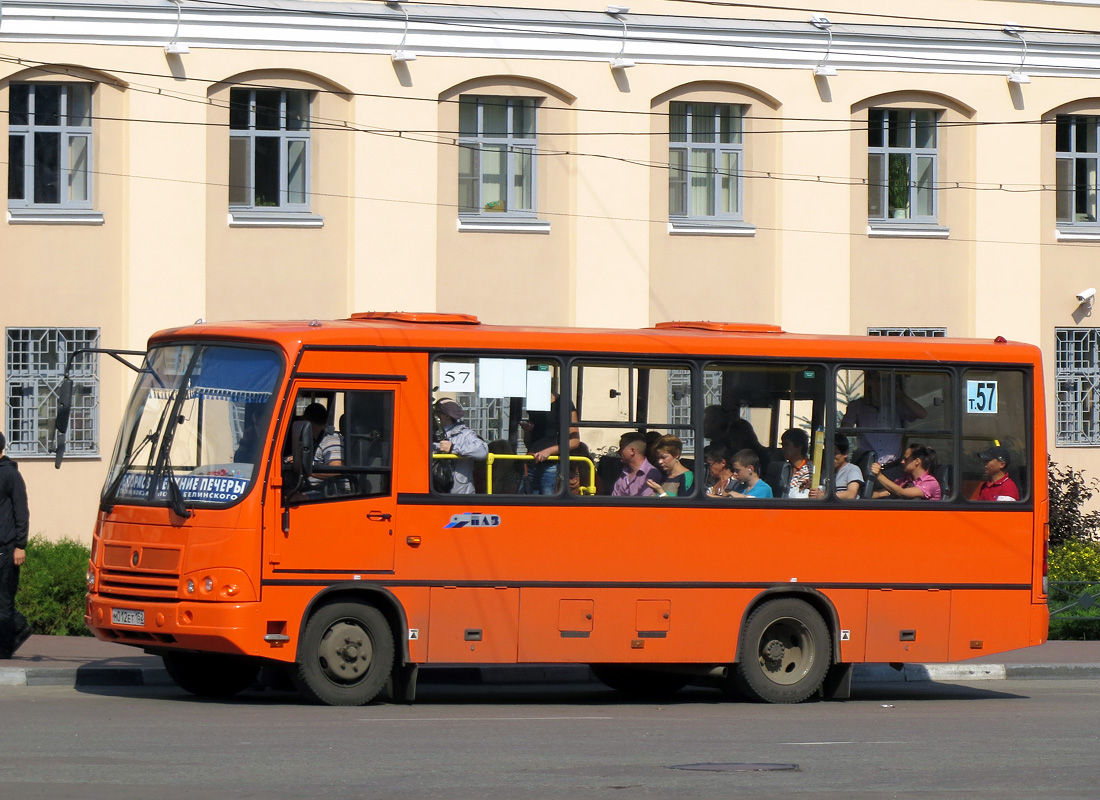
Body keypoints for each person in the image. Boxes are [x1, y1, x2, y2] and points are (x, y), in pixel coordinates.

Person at [841, 371, 927, 464]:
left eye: (886, 380)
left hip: (892, 465)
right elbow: (845, 429)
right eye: (878, 380)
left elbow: (922, 414)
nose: (882, 384)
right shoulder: (857, 406)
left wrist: (901, 396)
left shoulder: (897, 405)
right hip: (866, 463)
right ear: (869, 382)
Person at [0, 431, 31, 660]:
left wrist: (20, 545)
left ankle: (4, 648)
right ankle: (19, 628)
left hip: (7, 546)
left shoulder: (11, 474)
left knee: (3, 599)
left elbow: (21, 512)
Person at [519, 384, 580, 495]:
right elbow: (530, 443)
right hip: (531, 462)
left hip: (551, 464)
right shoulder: (534, 404)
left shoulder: (564, 403)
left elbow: (574, 441)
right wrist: (527, 431)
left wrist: (549, 451)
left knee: (548, 503)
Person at [431, 399, 488, 495]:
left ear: (447, 416)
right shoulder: (428, 434)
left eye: (437, 413)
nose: (434, 416)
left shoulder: (465, 434)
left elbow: (482, 451)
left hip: (460, 496)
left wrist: (453, 448)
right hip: (433, 494)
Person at [871, 443, 941, 500]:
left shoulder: (930, 483)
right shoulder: (906, 480)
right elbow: (890, 491)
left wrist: (879, 475)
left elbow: (903, 493)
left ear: (917, 461)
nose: (902, 462)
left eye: (906, 459)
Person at [809, 433, 864, 500]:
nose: (830, 457)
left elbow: (851, 494)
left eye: (834, 453)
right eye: (828, 453)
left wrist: (825, 496)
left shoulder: (852, 470)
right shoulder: (826, 472)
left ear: (845, 454)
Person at [611, 432, 662, 497]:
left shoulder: (651, 473)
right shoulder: (624, 473)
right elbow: (614, 500)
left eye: (622, 448)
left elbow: (646, 502)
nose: (619, 451)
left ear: (632, 451)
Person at [780, 428, 813, 497]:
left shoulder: (809, 470)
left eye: (786, 445)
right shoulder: (786, 468)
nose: (783, 449)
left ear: (799, 446)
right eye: (782, 445)